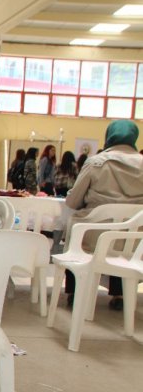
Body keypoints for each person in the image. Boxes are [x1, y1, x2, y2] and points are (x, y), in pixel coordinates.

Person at [63, 120, 143, 310]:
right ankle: (120, 294)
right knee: (122, 243)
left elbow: (73, 201)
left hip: (94, 237)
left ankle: (75, 292)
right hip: (133, 240)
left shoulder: (96, 162)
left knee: (77, 231)